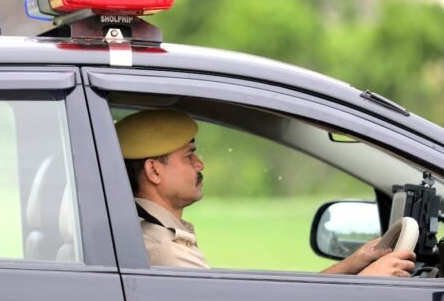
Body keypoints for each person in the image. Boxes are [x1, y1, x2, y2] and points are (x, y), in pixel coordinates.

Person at [115, 108, 416, 276]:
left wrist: (351, 265)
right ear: (154, 171)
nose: (200, 163)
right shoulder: (164, 252)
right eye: (189, 155)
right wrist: (366, 285)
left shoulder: (152, 237)